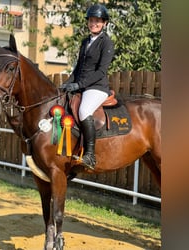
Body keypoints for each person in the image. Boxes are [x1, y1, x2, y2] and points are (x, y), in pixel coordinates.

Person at [60, 4, 114, 170]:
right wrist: (67, 83)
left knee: (84, 111)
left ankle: (90, 155)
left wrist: (80, 84)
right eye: (91, 20)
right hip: (82, 85)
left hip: (97, 87)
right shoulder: (85, 42)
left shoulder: (107, 43)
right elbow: (78, 68)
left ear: (104, 23)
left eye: (97, 21)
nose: (94, 23)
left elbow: (101, 71)